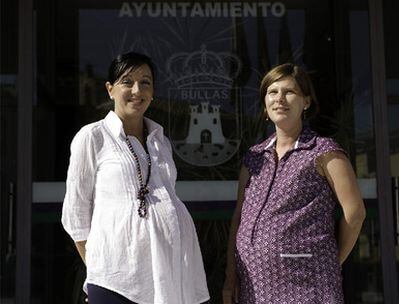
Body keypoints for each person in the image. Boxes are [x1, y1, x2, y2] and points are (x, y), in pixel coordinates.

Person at [62, 52, 210, 304]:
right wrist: (99, 268)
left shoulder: (161, 142)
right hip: (116, 279)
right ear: (110, 89)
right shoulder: (93, 137)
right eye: (127, 81)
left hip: (173, 273)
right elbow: (75, 214)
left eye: (145, 82)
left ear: (152, 92)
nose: (136, 90)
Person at [223, 63, 366, 303]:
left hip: (306, 285)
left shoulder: (324, 152)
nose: (280, 98)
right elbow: (239, 217)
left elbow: (355, 213)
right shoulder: (254, 157)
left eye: (290, 92)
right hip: (253, 287)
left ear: (306, 102)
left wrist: (328, 261)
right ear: (265, 105)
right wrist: (230, 276)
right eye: (272, 92)